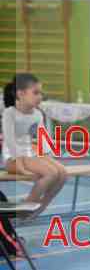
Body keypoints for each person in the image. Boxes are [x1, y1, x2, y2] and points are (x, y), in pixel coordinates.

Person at [1, 73, 67, 216]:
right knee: (51, 173)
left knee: (62, 173)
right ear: (21, 94)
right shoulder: (9, 113)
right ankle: (25, 208)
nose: (40, 97)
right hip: (12, 159)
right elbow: (10, 141)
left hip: (30, 157)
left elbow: (43, 138)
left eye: (41, 93)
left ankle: (41, 206)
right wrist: (20, 165)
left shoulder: (37, 114)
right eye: (35, 93)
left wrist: (49, 157)